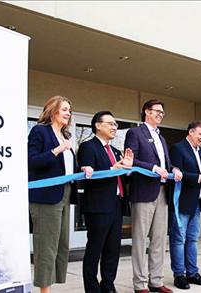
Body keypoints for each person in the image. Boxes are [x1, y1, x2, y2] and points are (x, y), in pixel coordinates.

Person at [28, 96, 93, 293]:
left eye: (70, 110)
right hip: (46, 196)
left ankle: (49, 286)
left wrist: (82, 168)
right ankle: (44, 290)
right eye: (64, 109)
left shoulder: (65, 135)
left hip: (65, 193)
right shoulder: (40, 131)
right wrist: (57, 150)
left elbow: (65, 167)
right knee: (46, 246)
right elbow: (31, 161)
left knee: (61, 244)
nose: (68, 113)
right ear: (53, 110)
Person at [124, 99, 182, 293]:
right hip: (143, 192)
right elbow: (131, 160)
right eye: (157, 111)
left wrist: (174, 168)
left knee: (159, 240)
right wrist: (153, 167)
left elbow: (167, 162)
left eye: (162, 112)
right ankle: (139, 284)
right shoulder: (135, 133)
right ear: (146, 112)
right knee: (140, 240)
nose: (160, 115)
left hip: (162, 193)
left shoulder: (161, 137)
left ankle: (156, 281)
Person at [77, 111, 133, 293]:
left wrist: (127, 168)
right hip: (98, 206)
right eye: (110, 123)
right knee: (95, 249)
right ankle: (92, 289)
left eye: (115, 124)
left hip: (116, 204)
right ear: (97, 125)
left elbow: (122, 177)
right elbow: (88, 176)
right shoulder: (88, 147)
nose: (114, 127)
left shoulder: (116, 151)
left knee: (112, 249)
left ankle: (108, 285)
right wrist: (111, 169)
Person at [169, 121, 201, 290]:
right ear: (191, 132)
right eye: (200, 134)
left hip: (197, 203)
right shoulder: (178, 149)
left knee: (192, 240)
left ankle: (192, 273)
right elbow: (176, 173)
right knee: (178, 240)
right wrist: (197, 178)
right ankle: (179, 275)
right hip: (182, 202)